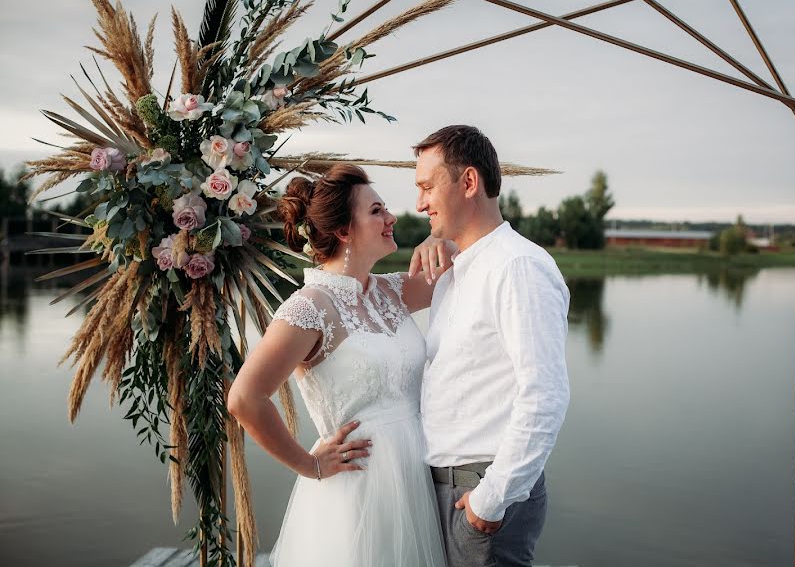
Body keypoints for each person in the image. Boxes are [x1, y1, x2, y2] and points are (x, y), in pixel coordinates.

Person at [227, 164, 454, 566]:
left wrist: (439, 242)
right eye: (377, 211)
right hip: (356, 486)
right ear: (344, 232)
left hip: (412, 477)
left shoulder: (389, 290)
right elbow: (245, 398)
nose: (392, 218)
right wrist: (309, 464)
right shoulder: (309, 307)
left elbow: (459, 262)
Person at [408, 125, 570, 567]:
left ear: (468, 183)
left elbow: (545, 396)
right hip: (447, 491)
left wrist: (491, 500)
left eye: (426, 187)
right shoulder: (456, 269)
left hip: (481, 496)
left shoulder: (518, 267)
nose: (419, 203)